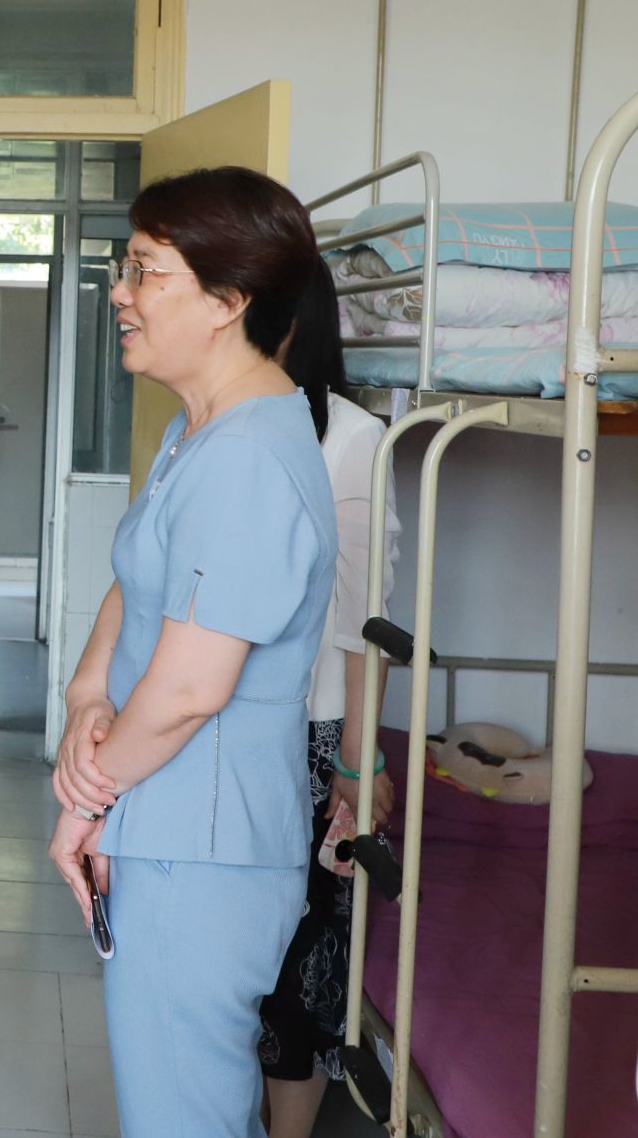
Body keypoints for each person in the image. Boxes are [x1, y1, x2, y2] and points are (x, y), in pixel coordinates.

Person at [49, 166, 337, 1138]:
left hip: (202, 853)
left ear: (226, 300)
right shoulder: (198, 431)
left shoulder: (248, 458)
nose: (120, 293)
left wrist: (86, 796)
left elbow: (185, 689)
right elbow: (138, 577)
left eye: (145, 271)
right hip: (167, 824)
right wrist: (89, 692)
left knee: (184, 1119)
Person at [257, 258, 401, 1138]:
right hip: (235, 728)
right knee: (243, 949)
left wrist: (356, 759)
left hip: (313, 736)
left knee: (304, 957)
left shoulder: (351, 437)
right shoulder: (230, 425)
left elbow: (362, 619)